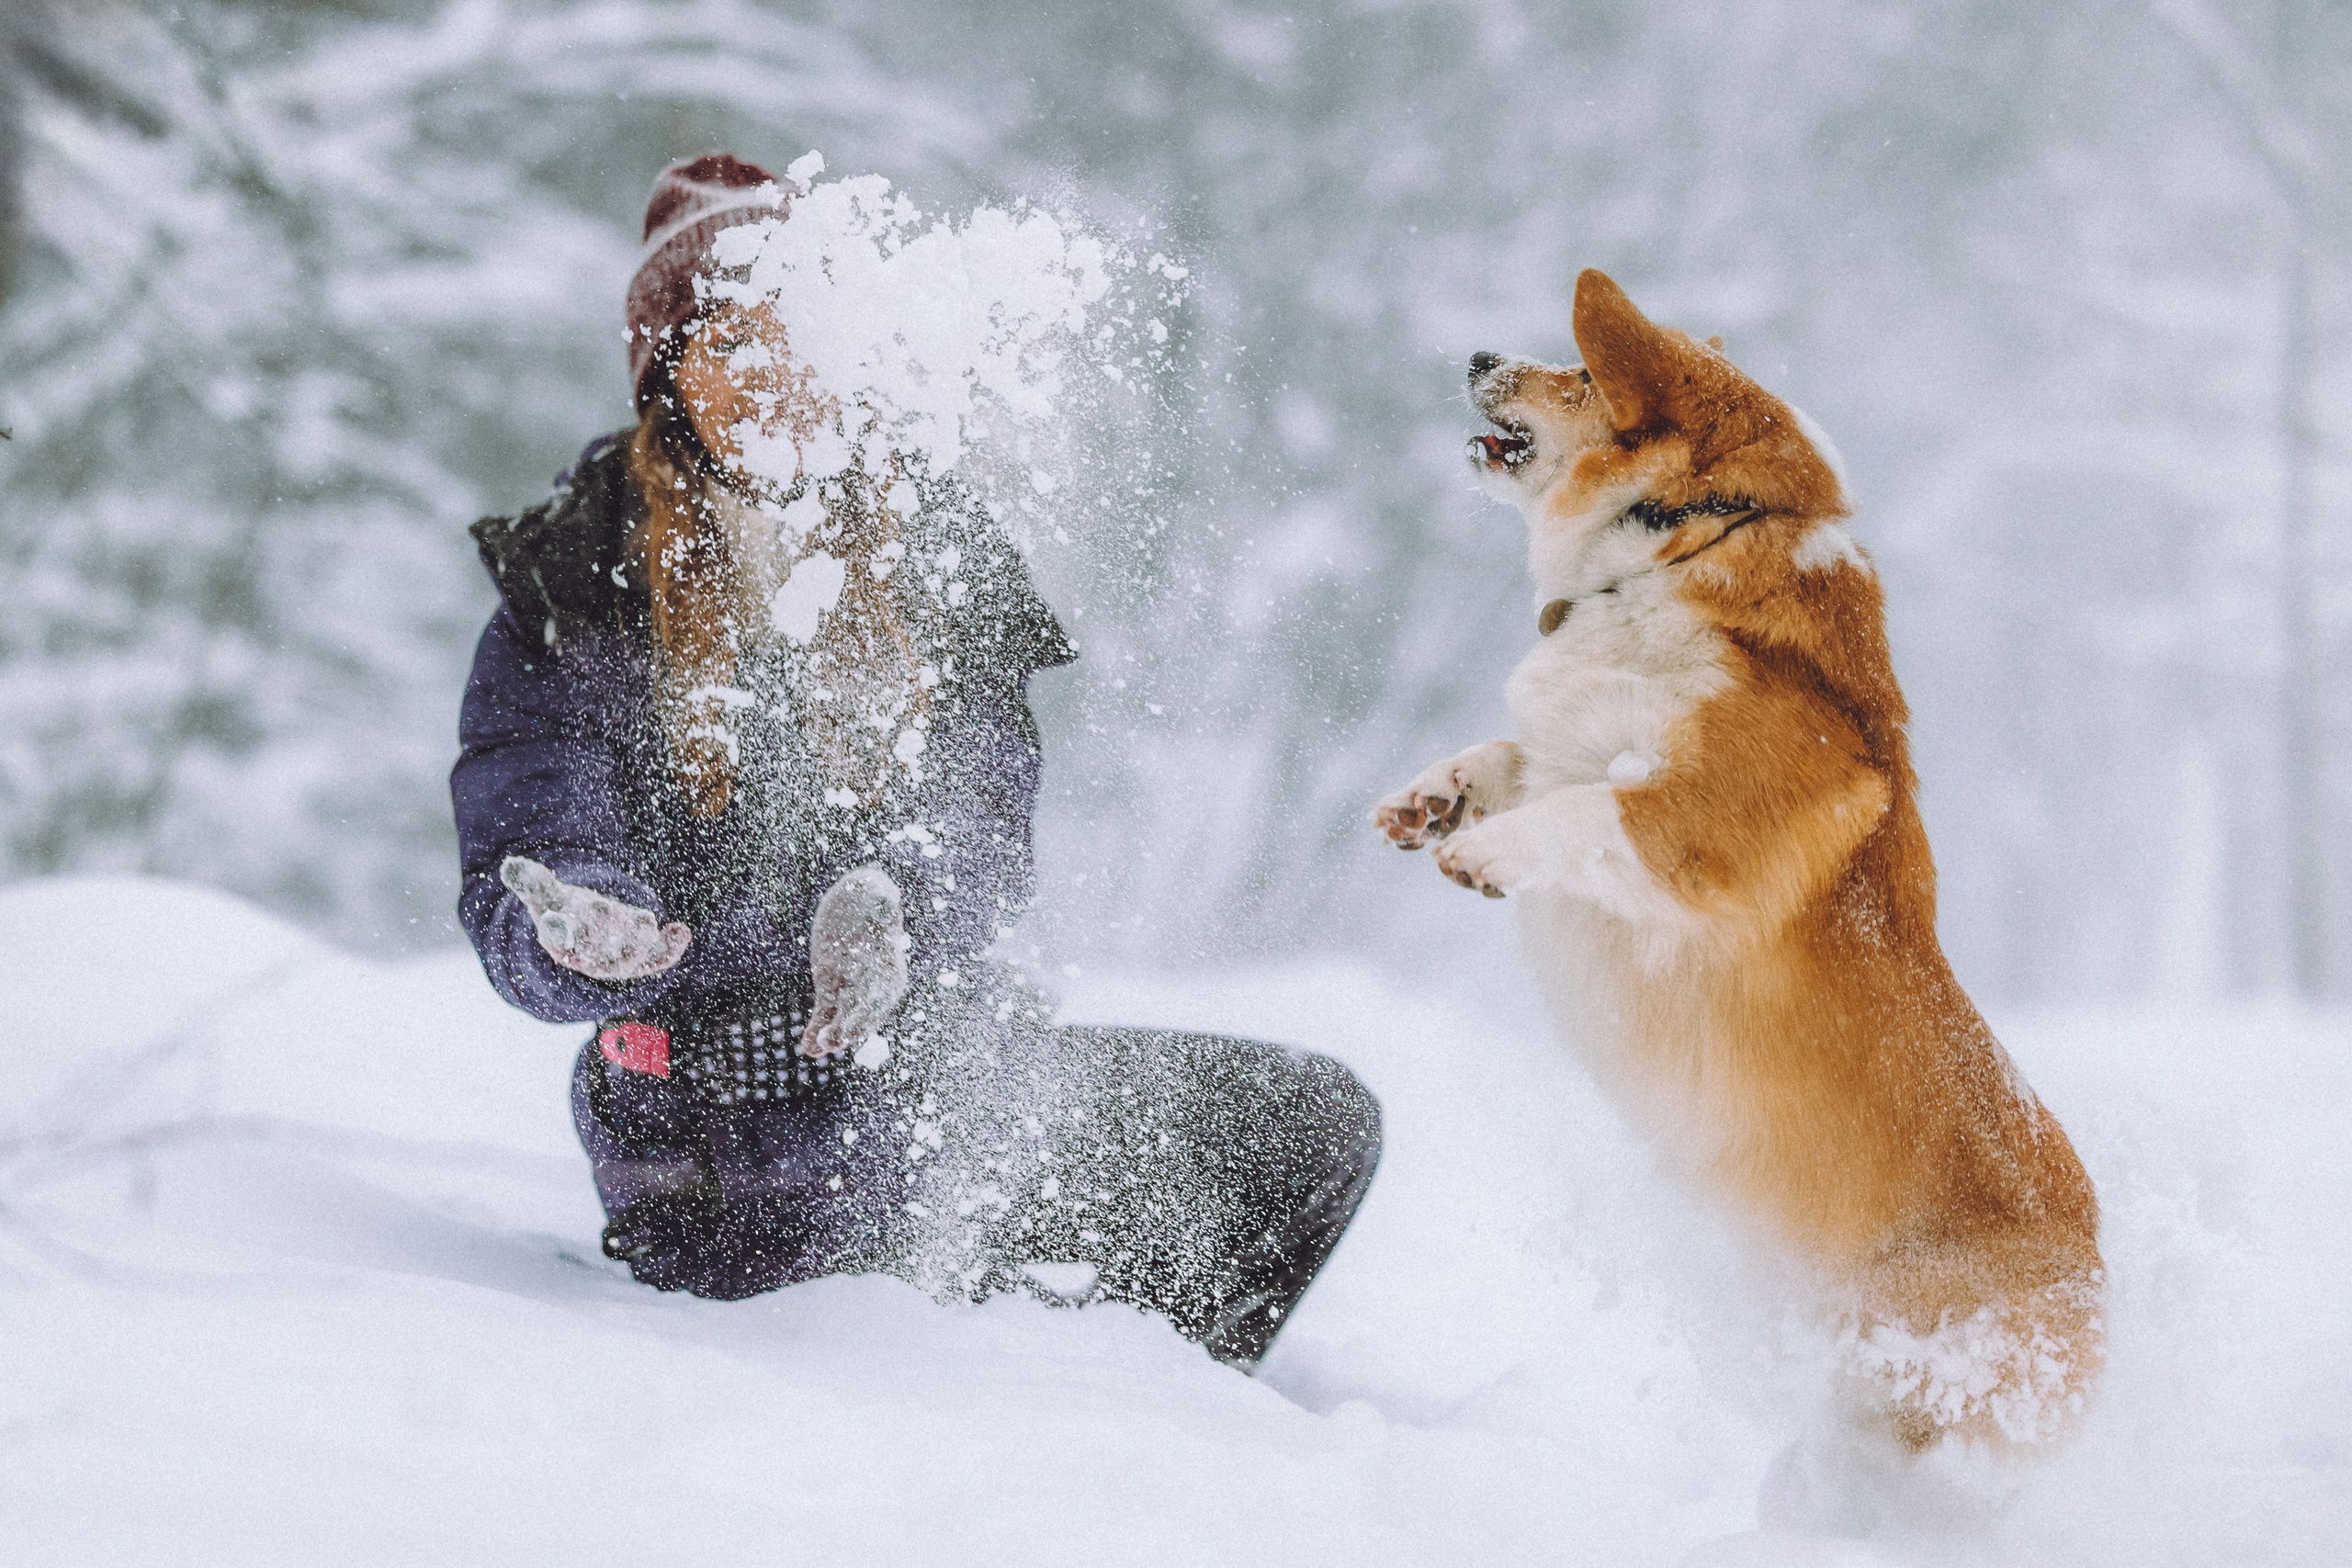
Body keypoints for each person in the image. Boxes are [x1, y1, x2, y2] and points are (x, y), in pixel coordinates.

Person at [451, 152, 1381, 1366]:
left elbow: (981, 825)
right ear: (670, 376)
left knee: (1298, 1134)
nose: (778, 382)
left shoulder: (937, 557)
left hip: (938, 1104)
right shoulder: (578, 584)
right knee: (976, 1288)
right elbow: (537, 848)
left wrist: (890, 903)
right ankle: (1016, 1408)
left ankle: (1155, 1423)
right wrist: (588, 933)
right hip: (713, 1153)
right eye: (734, 347)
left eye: (805, 341)